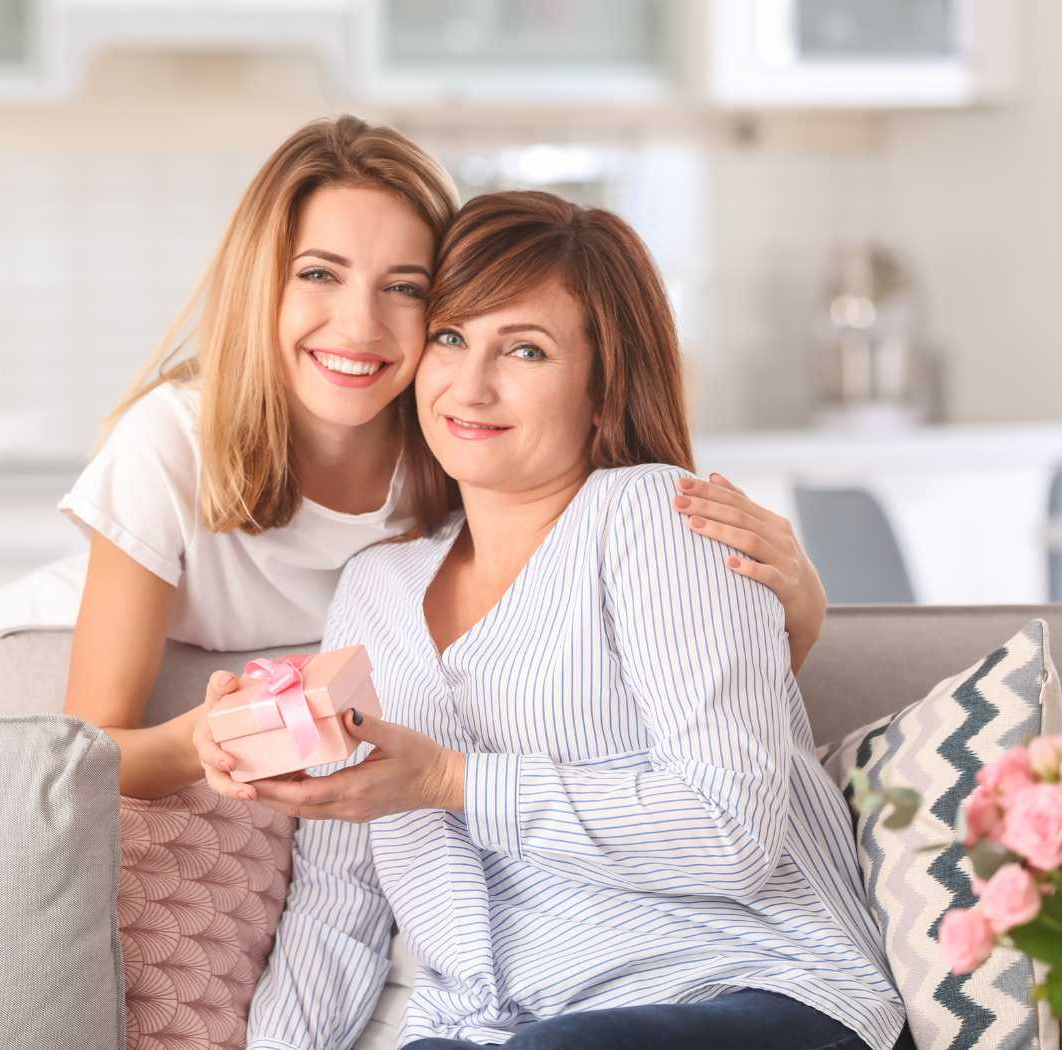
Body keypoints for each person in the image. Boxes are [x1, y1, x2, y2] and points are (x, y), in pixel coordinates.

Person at [224, 191, 910, 1050]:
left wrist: (454, 781)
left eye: (526, 349)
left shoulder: (656, 519)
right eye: (450, 337)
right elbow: (338, 903)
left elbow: (731, 830)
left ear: (603, 389)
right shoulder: (374, 589)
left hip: (746, 987)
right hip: (494, 1026)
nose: (471, 384)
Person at [0, 114, 828, 802]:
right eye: (319, 274)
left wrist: (801, 611)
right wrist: (202, 740)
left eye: (405, 288)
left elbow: (629, 683)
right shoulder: (172, 442)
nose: (359, 326)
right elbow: (91, 748)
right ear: (261, 283)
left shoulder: (455, 433)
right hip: (34, 652)